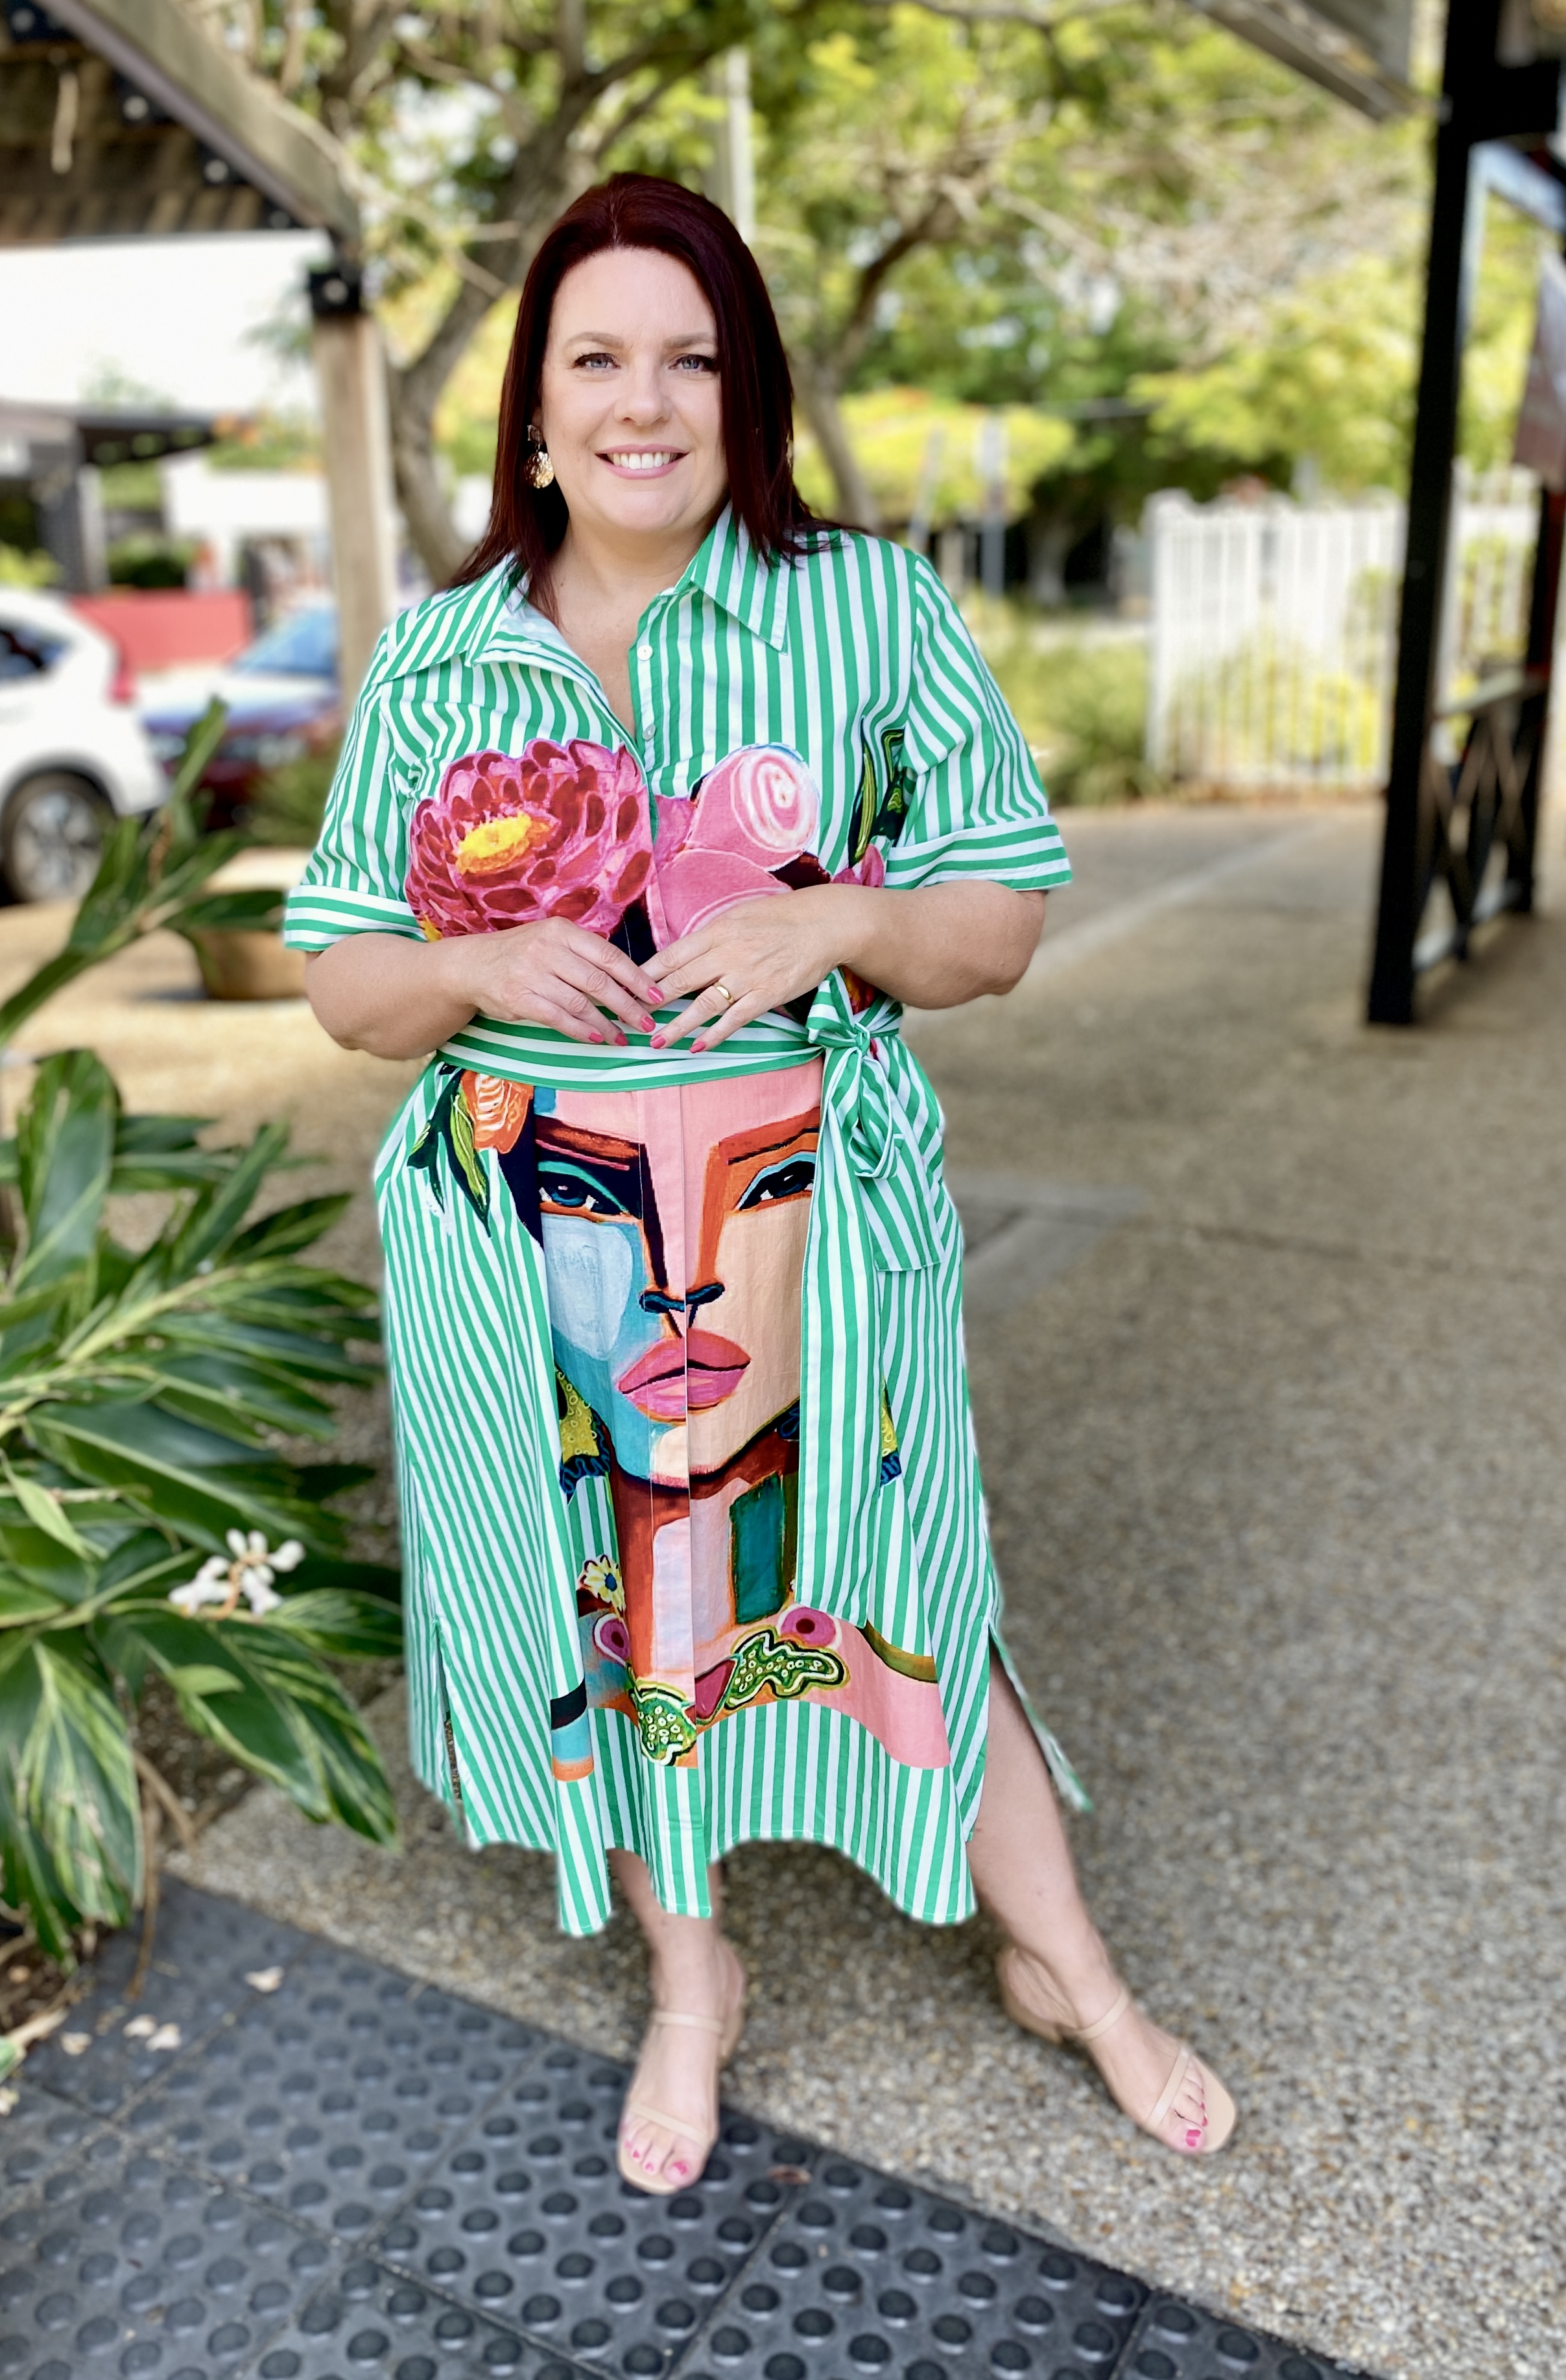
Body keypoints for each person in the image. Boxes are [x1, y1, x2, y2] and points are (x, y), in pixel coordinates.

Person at [289, 174, 1235, 2192]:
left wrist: (839, 922)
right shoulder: (435, 658)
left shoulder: (864, 609)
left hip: (809, 1227)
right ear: (532, 408)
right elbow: (346, 979)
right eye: (595, 359)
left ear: (750, 396)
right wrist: (468, 967)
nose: (643, 402)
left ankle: (1067, 1963)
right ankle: (687, 1979)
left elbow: (999, 918)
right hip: (527, 1237)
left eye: (690, 358)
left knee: (903, 1571)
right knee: (616, 1599)